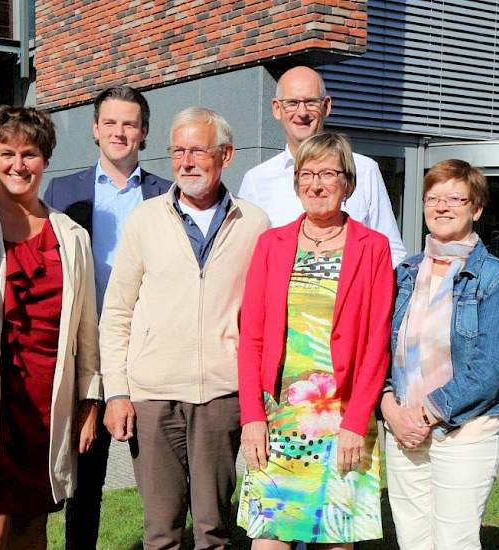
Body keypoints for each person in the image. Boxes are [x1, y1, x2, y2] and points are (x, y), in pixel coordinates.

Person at [101, 107, 269, 549]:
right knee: (161, 531)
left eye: (198, 150)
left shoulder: (254, 223)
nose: (186, 161)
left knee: (214, 529)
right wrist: (117, 391)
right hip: (153, 395)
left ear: (226, 155)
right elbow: (117, 310)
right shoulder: (145, 219)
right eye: (178, 151)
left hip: (221, 394)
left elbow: (265, 315)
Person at [0, 106, 102, 550]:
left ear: (45, 158)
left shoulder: (71, 234)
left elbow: (85, 325)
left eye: (30, 153)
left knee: (34, 525)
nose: (19, 165)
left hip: (48, 401)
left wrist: (90, 399)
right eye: (7, 153)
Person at [237, 132, 394, 548]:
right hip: (279, 416)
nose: (317, 184)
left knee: (335, 536)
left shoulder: (372, 247)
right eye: (307, 174)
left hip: (342, 415)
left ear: (348, 183)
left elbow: (377, 343)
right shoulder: (271, 244)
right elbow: (251, 334)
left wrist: (356, 422)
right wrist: (252, 416)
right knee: (270, 536)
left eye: (328, 173)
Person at [43, 85, 169, 550]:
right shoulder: (63, 191)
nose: (120, 132)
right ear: (96, 130)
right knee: (85, 481)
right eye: (111, 123)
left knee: (161, 478)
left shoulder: (165, 194)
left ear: (145, 133)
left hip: (148, 353)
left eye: (130, 124)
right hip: (86, 356)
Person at [381, 159, 499, 550]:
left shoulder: (497, 278)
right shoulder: (405, 273)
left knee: (453, 542)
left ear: (476, 209)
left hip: (464, 433)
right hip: (403, 430)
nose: (441, 207)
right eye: (433, 198)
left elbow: (490, 368)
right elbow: (382, 351)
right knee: (412, 541)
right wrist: (390, 407)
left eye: (455, 198)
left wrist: (426, 414)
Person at [239, 65, 406, 267]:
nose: (302, 112)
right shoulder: (256, 180)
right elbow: (247, 258)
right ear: (276, 108)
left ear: (326, 106)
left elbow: (392, 252)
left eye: (311, 102)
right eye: (292, 103)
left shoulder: (364, 169)